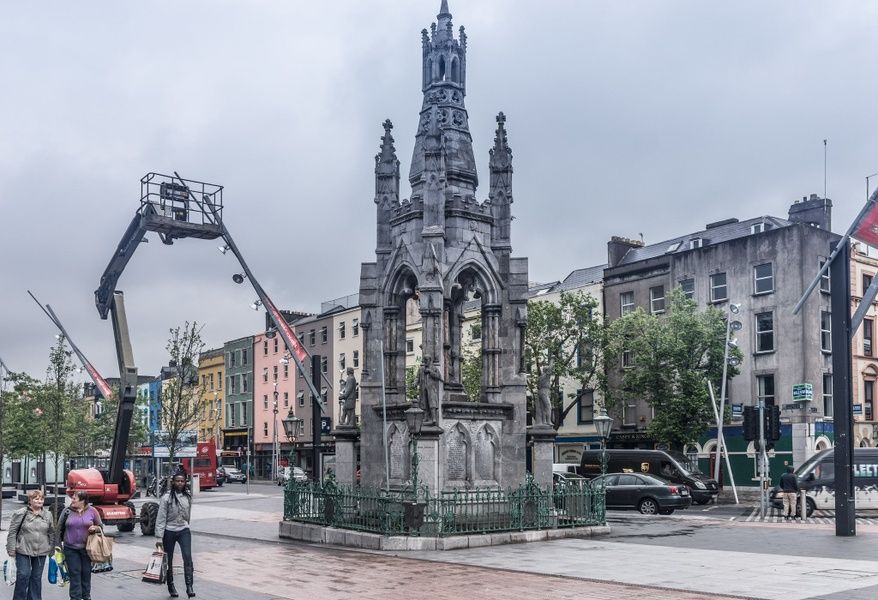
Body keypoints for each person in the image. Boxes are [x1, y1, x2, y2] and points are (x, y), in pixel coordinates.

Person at [6, 489, 55, 600]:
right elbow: (12, 532)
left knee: (36, 578)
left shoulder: (48, 515)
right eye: (36, 499)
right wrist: (11, 549)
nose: (39, 501)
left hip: (41, 551)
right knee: (23, 575)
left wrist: (52, 549)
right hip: (23, 550)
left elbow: (52, 532)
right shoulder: (21, 513)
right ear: (30, 500)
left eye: (41, 499)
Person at [156, 471, 195, 598]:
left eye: (182, 481)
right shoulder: (166, 498)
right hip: (169, 531)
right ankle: (170, 585)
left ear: (185, 483)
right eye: (177, 481)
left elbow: (188, 513)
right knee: (169, 560)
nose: (180, 483)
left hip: (184, 530)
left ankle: (189, 586)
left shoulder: (187, 497)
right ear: (173, 482)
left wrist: (186, 524)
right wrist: (159, 537)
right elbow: (161, 518)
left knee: (187, 557)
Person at [58, 490, 103, 600]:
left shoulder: (93, 511)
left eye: (74, 498)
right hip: (70, 548)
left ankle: (86, 596)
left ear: (82, 501)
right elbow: (58, 529)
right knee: (75, 573)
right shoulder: (67, 511)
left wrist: (95, 528)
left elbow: (100, 526)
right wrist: (57, 546)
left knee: (86, 573)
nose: (72, 500)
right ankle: (75, 598)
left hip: (88, 549)